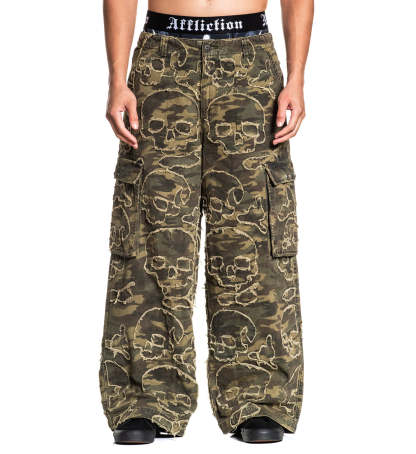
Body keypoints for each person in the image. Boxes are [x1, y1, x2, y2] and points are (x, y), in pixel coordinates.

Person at [100, 0, 313, 444]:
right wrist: (117, 80)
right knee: (152, 233)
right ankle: (145, 398)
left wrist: (296, 76)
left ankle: (258, 396)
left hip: (249, 60)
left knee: (252, 234)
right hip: (162, 58)